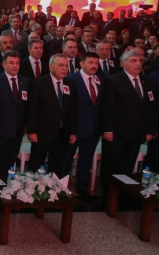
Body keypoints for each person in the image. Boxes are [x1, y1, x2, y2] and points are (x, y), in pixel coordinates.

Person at [101, 50, 156, 195]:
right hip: (117, 133)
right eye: (133, 61)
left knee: (128, 165)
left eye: (139, 61)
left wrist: (150, 130)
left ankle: (123, 195)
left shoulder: (147, 81)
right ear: (123, 63)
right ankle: (108, 196)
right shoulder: (113, 80)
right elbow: (107, 108)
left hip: (137, 133)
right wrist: (108, 130)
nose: (138, 64)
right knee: (111, 165)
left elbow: (150, 108)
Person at [61, 52, 104, 203]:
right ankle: (61, 188)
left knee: (86, 159)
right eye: (91, 63)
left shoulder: (100, 80)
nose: (94, 66)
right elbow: (67, 108)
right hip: (75, 128)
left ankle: (82, 187)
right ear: (81, 63)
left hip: (93, 129)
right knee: (65, 159)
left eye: (96, 63)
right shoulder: (71, 80)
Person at [27, 54, 78, 177]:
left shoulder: (70, 84)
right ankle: (32, 192)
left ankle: (52, 192)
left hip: (62, 133)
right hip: (42, 133)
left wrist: (72, 132)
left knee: (56, 166)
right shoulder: (39, 83)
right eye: (61, 65)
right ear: (51, 66)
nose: (64, 68)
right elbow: (32, 109)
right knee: (36, 164)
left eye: (66, 66)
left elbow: (72, 110)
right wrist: (32, 131)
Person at [0, 51, 30, 176]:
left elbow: (26, 106)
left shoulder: (25, 81)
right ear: (3, 64)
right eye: (11, 63)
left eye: (17, 63)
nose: (15, 66)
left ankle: (5, 188)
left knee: (10, 161)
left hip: (18, 130)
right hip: (0, 128)